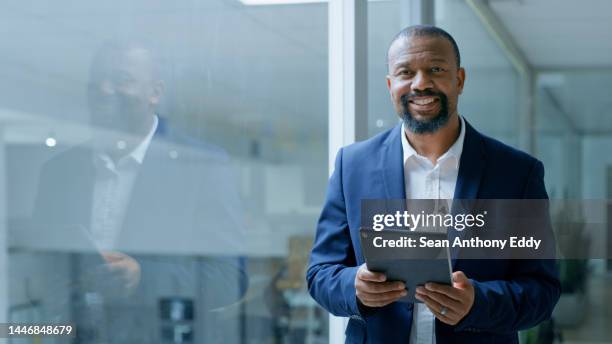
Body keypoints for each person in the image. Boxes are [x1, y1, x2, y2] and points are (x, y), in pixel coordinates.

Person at [306, 25, 560, 343]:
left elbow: (542, 291)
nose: (421, 83)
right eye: (405, 72)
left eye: (436, 69)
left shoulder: (517, 173)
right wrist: (354, 285)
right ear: (390, 85)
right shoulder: (352, 167)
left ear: (460, 79)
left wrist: (477, 302)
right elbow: (320, 273)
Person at [33, 40, 247, 342]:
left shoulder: (201, 168)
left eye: (122, 80)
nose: (105, 90)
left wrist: (143, 278)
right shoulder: (58, 172)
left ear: (154, 93)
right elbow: (40, 268)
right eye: (97, 82)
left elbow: (230, 278)